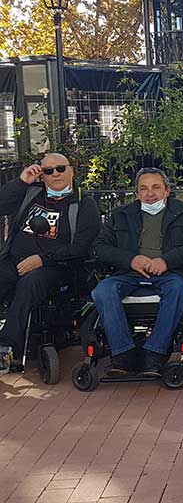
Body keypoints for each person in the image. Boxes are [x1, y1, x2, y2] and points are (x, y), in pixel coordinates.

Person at [91, 167, 183, 378]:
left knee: (177, 288)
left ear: (167, 190)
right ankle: (122, 354)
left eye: (156, 187)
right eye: (143, 188)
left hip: (171, 273)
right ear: (137, 193)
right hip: (128, 273)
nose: (150, 193)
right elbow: (99, 247)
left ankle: (154, 353)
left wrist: (167, 260)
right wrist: (131, 260)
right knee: (102, 290)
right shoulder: (121, 215)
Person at [0, 154, 101, 374]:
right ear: (42, 176)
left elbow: (81, 247)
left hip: (55, 267)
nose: (55, 174)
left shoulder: (83, 203)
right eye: (48, 171)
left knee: (30, 284)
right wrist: (22, 181)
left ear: (71, 170)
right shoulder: (32, 194)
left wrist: (42, 259)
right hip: (14, 260)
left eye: (60, 168)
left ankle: (6, 347)